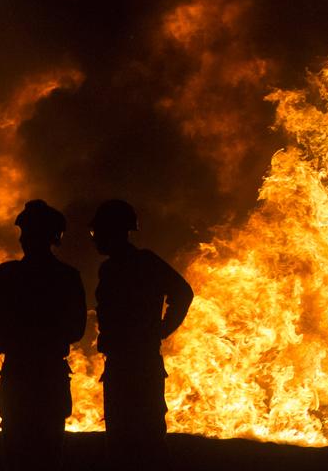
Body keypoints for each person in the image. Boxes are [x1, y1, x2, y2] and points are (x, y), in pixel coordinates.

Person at [0, 200, 87, 471]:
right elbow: (75, 330)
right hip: (46, 378)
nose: (24, 239)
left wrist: (19, 332)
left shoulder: (11, 276)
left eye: (29, 232)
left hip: (22, 377)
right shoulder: (67, 277)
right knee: (46, 455)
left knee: (21, 455)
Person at [91, 199, 193, 468]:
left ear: (113, 231)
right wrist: (161, 330)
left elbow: (183, 293)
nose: (95, 239)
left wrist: (162, 329)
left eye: (97, 232)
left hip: (139, 364)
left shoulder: (144, 262)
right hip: (121, 364)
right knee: (121, 443)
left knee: (146, 442)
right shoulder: (109, 269)